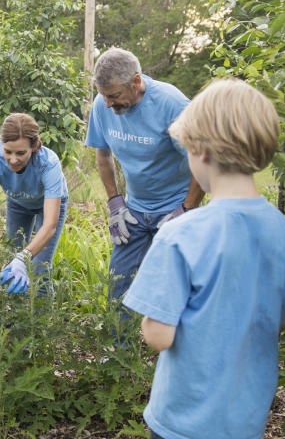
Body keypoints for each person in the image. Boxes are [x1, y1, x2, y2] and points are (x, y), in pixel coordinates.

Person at [121, 78, 285, 439]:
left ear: (199, 153)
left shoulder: (183, 232)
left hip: (186, 423)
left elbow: (157, 335)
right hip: (245, 420)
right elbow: (282, 320)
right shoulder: (283, 231)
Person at [85, 48, 204, 309]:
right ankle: (120, 348)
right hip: (133, 211)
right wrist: (115, 202)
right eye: (103, 95)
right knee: (118, 284)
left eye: (114, 95)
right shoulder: (102, 105)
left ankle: (171, 347)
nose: (107, 103)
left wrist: (186, 210)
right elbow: (102, 155)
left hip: (174, 208)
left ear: (136, 82)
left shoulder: (172, 105)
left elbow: (202, 162)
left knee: (176, 288)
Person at [0, 113, 68, 295]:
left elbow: (50, 225)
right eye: (7, 151)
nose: (13, 159)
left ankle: (40, 321)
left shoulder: (48, 162)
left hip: (48, 204)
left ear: (33, 146)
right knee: (12, 263)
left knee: (38, 269)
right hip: (18, 203)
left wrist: (24, 257)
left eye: (20, 153)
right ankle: (15, 320)